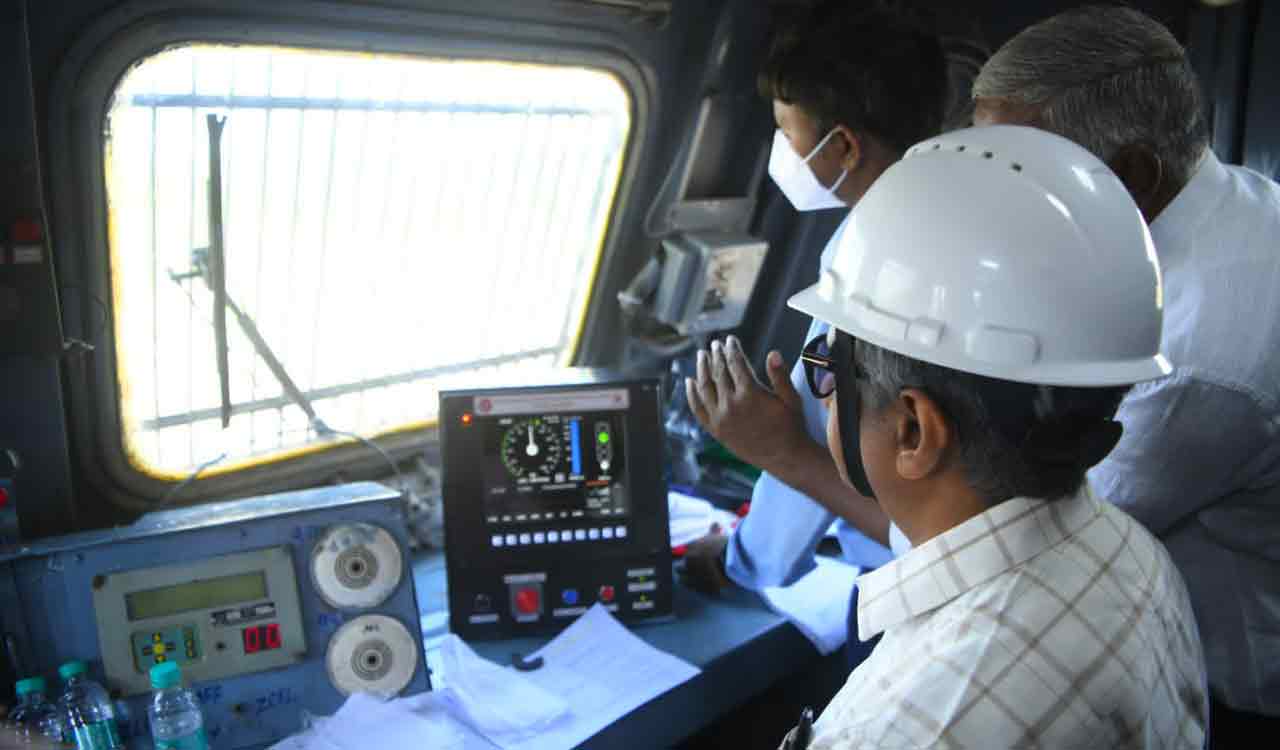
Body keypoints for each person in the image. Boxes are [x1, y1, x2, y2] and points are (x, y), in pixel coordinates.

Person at [777, 123, 1207, 749]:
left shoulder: (906, 733)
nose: (821, 388)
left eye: (825, 368)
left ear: (914, 429)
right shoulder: (1136, 556)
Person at [971, 7, 1280, 743]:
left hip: (1233, 699)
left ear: (1135, 171)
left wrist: (793, 456)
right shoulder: (1234, 202)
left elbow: (1030, 554)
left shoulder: (1198, 360)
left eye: (1025, 171)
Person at [682, 1, 946, 601]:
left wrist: (745, 562)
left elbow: (818, 418)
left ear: (844, 145)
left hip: (912, 579)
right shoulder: (891, 231)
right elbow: (822, 386)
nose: (782, 148)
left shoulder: (876, 268)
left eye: (787, 130)